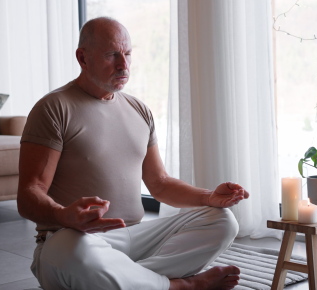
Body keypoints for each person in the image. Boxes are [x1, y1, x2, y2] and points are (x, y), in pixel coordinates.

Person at [17, 17, 250, 290]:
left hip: (136, 237)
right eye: (111, 55)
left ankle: (128, 281)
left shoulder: (139, 110)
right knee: (70, 253)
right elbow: (29, 194)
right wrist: (63, 215)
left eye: (127, 54)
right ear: (83, 58)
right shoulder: (53, 108)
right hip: (76, 238)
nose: (123, 65)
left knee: (222, 221)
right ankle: (182, 286)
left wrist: (208, 197)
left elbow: (160, 184)